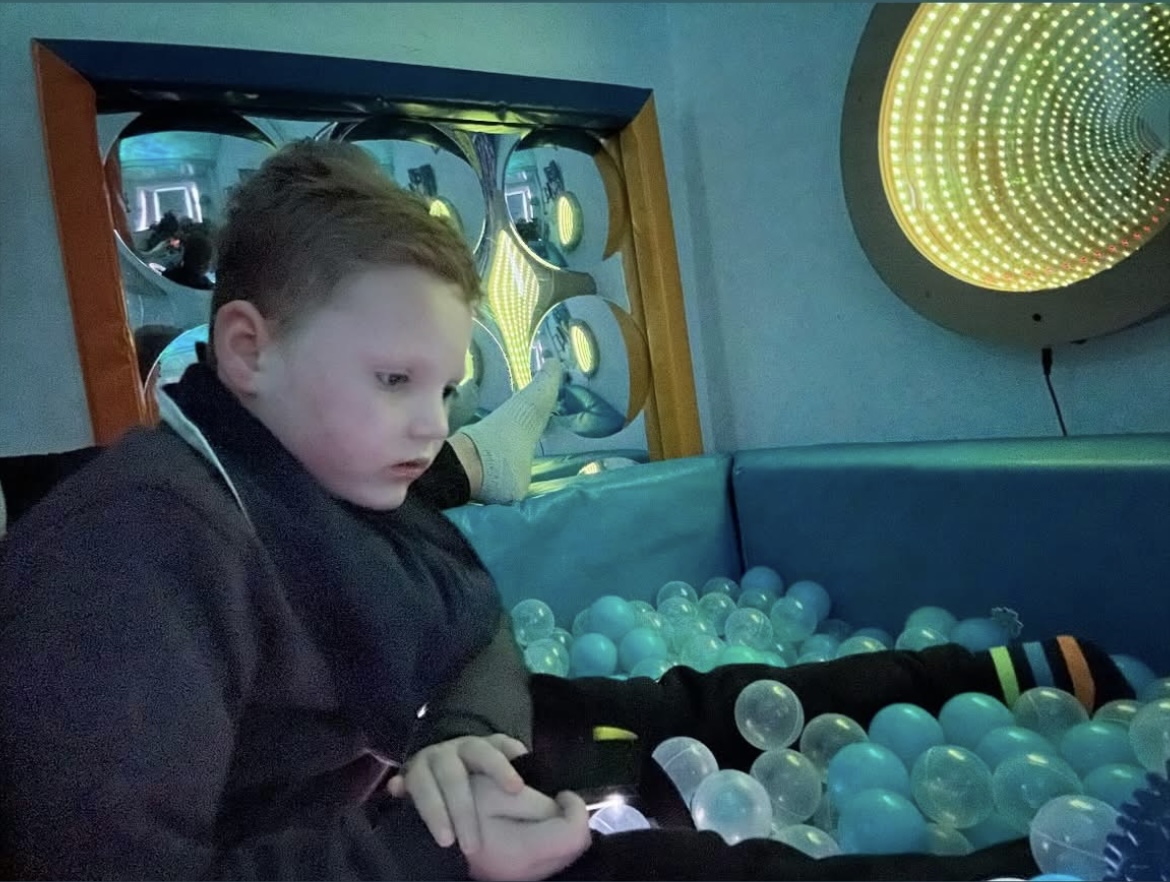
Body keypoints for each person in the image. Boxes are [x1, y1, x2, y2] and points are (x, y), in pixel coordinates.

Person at [0, 140, 1136, 882]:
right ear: (247, 351)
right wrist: (439, 849)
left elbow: (476, 617)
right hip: (384, 841)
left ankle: (1022, 672)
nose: (422, 419)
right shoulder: (137, 551)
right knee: (672, 866)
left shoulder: (325, 482)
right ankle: (1080, 862)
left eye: (445, 391)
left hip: (427, 764)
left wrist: (461, 736)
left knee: (675, 706)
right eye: (395, 381)